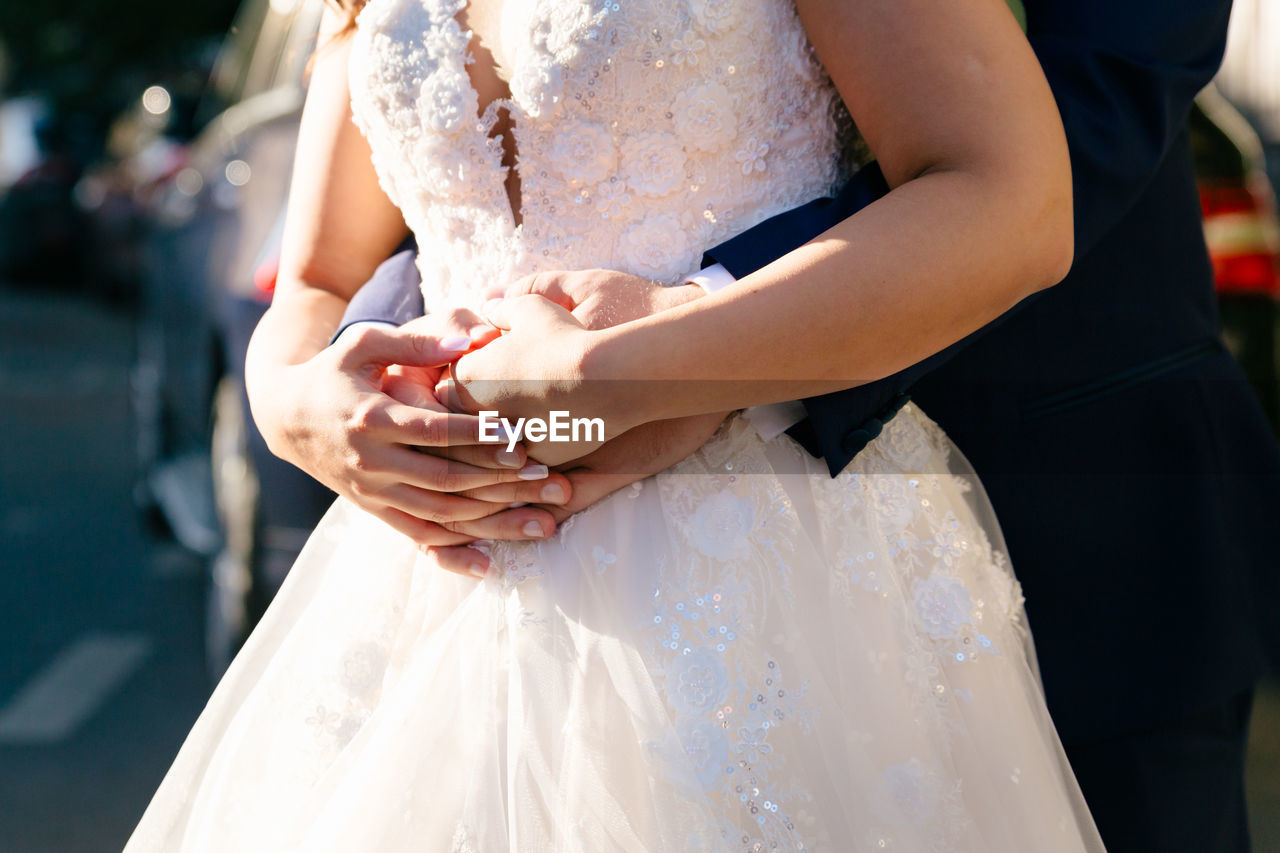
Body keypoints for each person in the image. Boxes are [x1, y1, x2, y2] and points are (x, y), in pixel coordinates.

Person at [125, 0, 1105, 848]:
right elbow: (317, 277)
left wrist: (621, 373)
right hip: (430, 590)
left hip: (760, 554)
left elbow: (1008, 200)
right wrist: (298, 408)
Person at [316, 0, 1280, 849]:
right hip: (474, 579)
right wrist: (319, 385)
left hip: (1048, 501)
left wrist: (679, 343)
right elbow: (449, 189)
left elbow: (1091, 98)